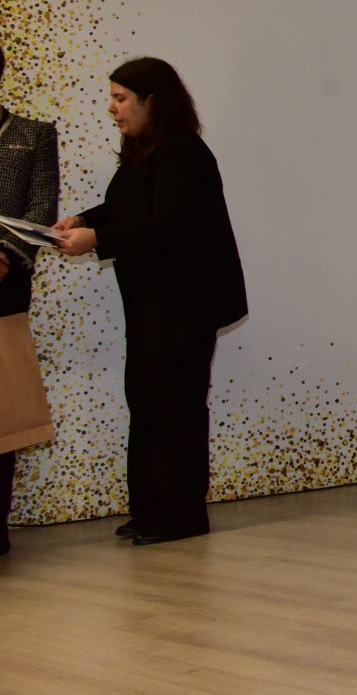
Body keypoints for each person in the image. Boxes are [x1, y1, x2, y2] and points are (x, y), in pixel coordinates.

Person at [48, 58, 248, 546]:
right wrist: (83, 220)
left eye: (121, 98)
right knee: (147, 401)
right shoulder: (142, 151)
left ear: (152, 101)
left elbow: (166, 224)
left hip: (186, 306)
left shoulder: (185, 155)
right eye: (112, 98)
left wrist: (97, 238)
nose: (112, 108)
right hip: (151, 304)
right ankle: (150, 511)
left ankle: (180, 517)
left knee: (174, 406)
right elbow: (125, 208)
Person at [0, 46, 60, 556]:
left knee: (4, 405)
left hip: (4, 284)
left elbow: (41, 207)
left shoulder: (33, 134)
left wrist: (3, 253)